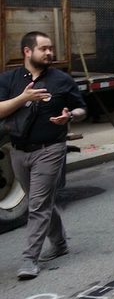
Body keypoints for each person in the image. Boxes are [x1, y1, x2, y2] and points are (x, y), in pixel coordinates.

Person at [0, 31, 86, 280]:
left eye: (51, 48)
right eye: (44, 49)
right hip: (18, 152)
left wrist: (70, 116)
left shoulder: (61, 79)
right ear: (27, 51)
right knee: (42, 202)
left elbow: (82, 108)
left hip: (50, 149)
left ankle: (29, 259)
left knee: (37, 205)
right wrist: (23, 98)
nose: (50, 53)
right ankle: (59, 243)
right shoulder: (10, 79)